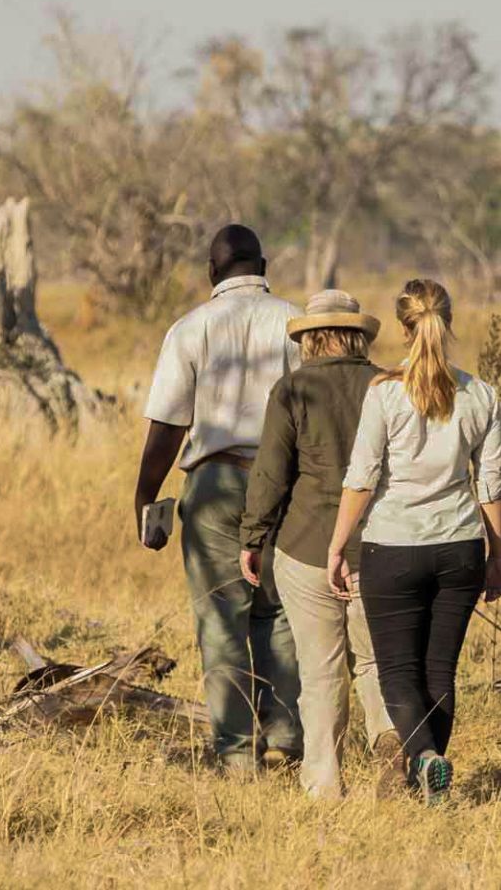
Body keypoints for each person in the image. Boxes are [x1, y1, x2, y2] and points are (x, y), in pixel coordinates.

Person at [325, 278, 501, 803]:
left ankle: (425, 758)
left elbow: (362, 477)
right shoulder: (481, 395)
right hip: (460, 548)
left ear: (405, 329)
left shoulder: (384, 393)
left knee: (398, 674)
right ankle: (432, 781)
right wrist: (498, 557)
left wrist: (339, 546)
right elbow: (491, 485)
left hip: (392, 547)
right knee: (440, 673)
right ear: (447, 324)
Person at [133, 225, 304, 776]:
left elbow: (167, 424)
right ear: (265, 263)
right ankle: (287, 734)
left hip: (212, 485)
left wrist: (146, 495)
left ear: (212, 271)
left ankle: (235, 755)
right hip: (285, 483)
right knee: (280, 611)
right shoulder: (296, 322)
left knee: (221, 620)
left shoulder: (189, 328)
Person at [238, 290, 400, 799]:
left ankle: (325, 782)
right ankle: (389, 743)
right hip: (382, 545)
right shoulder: (388, 384)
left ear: (310, 338)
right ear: (357, 334)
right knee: (377, 661)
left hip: (307, 545)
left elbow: (270, 475)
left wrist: (253, 536)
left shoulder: (292, 390)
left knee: (321, 668)